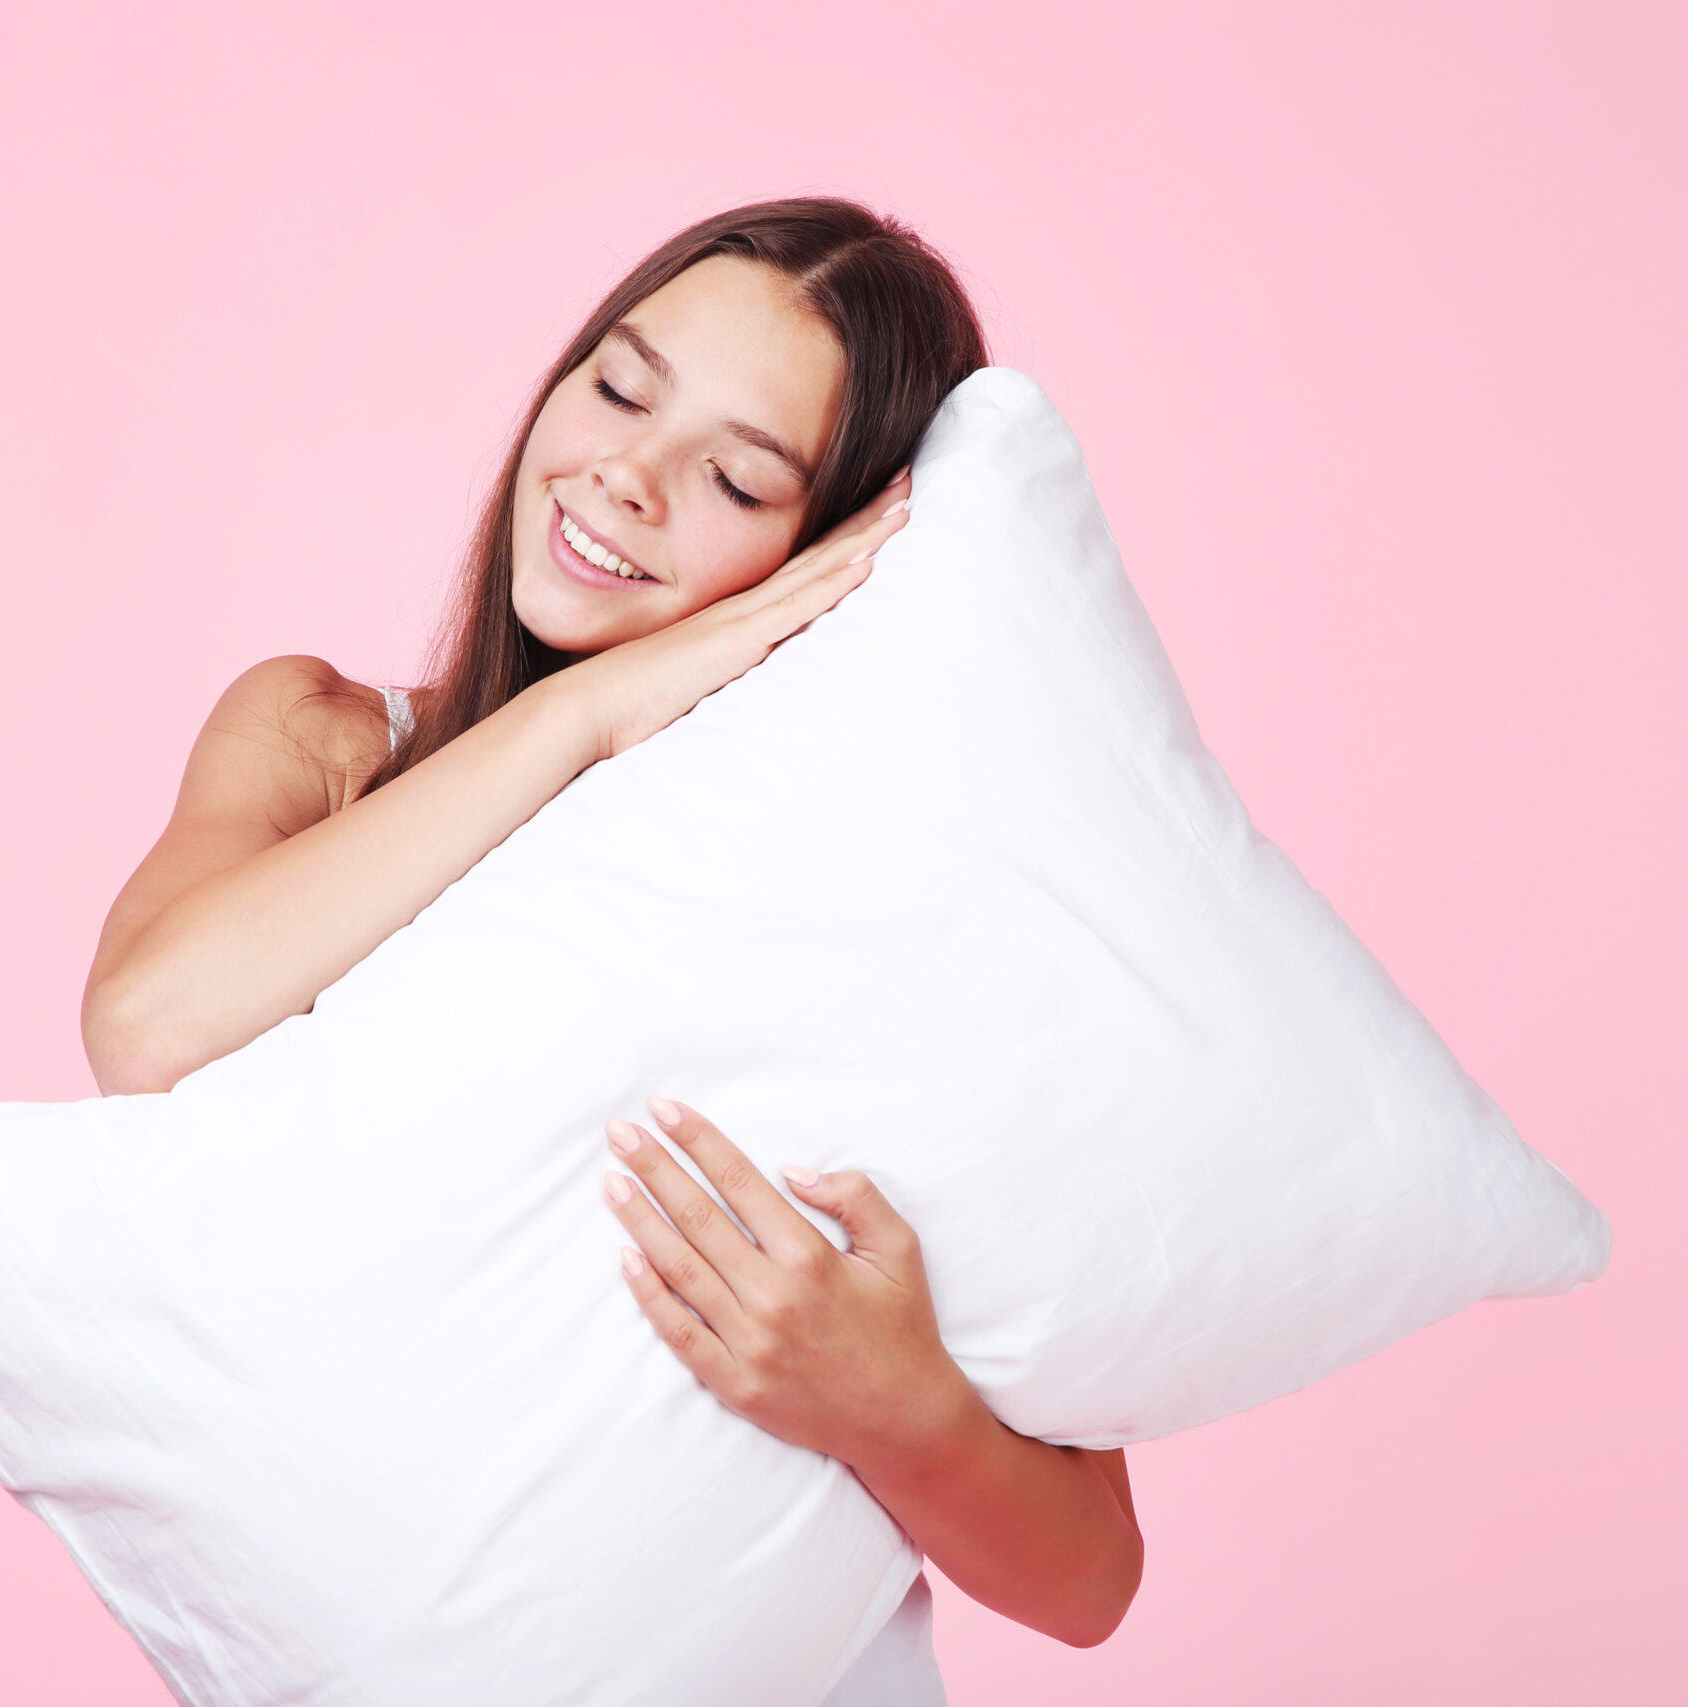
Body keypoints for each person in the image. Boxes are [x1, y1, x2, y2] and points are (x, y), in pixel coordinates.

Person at [80, 198, 1143, 1698]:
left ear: (825, 554)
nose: (623, 478)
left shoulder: (885, 920)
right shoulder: (319, 744)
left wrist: (896, 1408)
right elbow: (149, 1024)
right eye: (619, 388)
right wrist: (579, 715)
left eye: (730, 474)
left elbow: (1091, 1580)